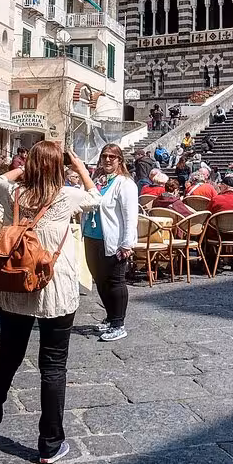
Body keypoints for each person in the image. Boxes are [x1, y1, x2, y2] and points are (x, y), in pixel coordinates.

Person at [0, 141, 98, 464]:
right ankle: (49, 444)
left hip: (16, 285)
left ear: (29, 166)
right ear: (60, 167)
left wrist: (25, 165)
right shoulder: (66, 196)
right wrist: (78, 166)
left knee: (6, 358)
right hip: (53, 287)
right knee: (53, 366)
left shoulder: (12, 193)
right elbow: (96, 198)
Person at [81, 144, 138, 343]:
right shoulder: (97, 181)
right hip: (91, 236)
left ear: (119, 160)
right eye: (104, 156)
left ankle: (118, 323)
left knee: (115, 281)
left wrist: (127, 243)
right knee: (100, 279)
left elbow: (131, 216)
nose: (107, 160)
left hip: (112, 239)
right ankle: (110, 315)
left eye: (112, 157)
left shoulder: (125, 184)